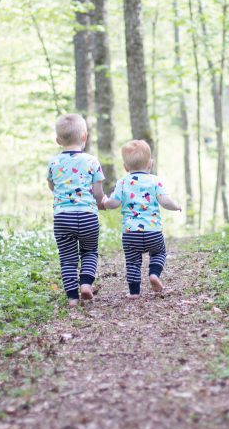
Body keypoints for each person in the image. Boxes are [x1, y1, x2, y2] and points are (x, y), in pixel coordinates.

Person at [101, 140, 181, 299]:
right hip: (153, 232)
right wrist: (176, 206)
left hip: (131, 233)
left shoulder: (122, 182)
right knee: (159, 252)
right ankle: (154, 274)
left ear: (125, 167)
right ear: (150, 163)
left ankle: (134, 292)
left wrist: (104, 202)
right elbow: (165, 201)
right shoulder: (155, 181)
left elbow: (114, 203)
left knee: (132, 262)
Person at [47, 113, 106, 307]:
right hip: (88, 216)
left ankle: (72, 297)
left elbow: (52, 186)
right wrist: (100, 202)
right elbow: (98, 191)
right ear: (84, 137)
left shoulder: (54, 162)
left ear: (58, 140)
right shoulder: (91, 161)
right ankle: (86, 284)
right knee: (89, 251)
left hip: (63, 218)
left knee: (67, 258)